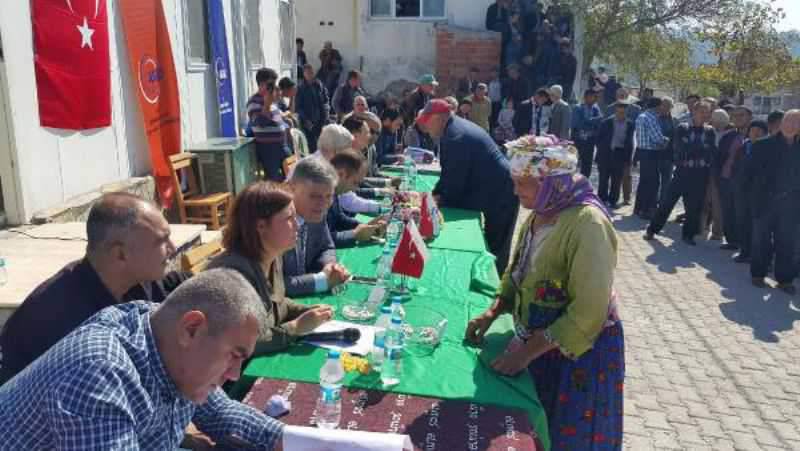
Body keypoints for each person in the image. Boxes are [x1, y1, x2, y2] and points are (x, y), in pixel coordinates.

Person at [0, 269, 285, 450]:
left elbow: (223, 414)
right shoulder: (98, 370)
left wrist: (308, 443)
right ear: (192, 329)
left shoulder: (167, 333)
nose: (235, 374)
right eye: (234, 355)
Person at [465, 145, 623, 449]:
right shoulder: (541, 213)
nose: (515, 191)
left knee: (569, 429)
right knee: (539, 424)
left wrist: (525, 353)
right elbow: (517, 271)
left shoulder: (588, 224)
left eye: (522, 183)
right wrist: (493, 311)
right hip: (542, 347)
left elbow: (589, 310)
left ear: (551, 182)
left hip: (578, 352)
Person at [0, 193, 184, 385]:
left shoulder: (140, 279)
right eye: (161, 241)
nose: (173, 248)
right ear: (120, 255)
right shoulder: (58, 319)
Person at [207, 182, 333, 355]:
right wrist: (295, 327)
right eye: (289, 218)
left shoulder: (272, 257)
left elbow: (277, 303)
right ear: (261, 226)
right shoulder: (233, 276)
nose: (297, 225)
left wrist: (305, 311)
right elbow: (243, 344)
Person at [419, 99, 519, 272]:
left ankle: (494, 288)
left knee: (495, 247)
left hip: (501, 191)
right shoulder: (451, 129)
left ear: (438, 118)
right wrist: (435, 194)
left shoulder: (455, 135)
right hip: (489, 187)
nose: (425, 128)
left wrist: (437, 204)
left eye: (427, 122)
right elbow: (448, 173)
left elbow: (455, 184)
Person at [644, 101, 716, 245]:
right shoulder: (683, 128)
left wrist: (694, 148)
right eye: (702, 111)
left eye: (707, 112)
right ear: (694, 112)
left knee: (693, 207)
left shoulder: (709, 131)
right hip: (682, 173)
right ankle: (652, 230)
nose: (704, 114)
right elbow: (681, 150)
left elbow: (710, 153)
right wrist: (700, 148)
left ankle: (688, 235)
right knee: (667, 203)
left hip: (700, 174)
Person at [747, 110, 800, 293]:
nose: (792, 125)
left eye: (796, 122)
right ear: (781, 123)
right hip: (765, 201)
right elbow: (749, 175)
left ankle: (785, 279)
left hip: (791, 204)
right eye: (789, 121)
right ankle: (758, 274)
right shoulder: (763, 145)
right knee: (761, 241)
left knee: (787, 242)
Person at [283, 157, 350, 296]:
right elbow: (271, 288)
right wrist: (322, 281)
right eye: (314, 196)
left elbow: (326, 246)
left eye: (328, 196)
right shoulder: (275, 224)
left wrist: (330, 266)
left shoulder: (315, 212)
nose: (323, 204)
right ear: (292, 188)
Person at [327, 150, 386, 247]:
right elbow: (319, 241)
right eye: (355, 182)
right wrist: (354, 234)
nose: (355, 189)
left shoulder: (333, 190)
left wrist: (366, 226)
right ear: (341, 174)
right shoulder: (319, 194)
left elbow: (339, 219)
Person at [731, 120, 768, 263]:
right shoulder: (743, 146)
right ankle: (744, 251)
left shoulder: (768, 149)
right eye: (753, 130)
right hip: (741, 191)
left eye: (760, 131)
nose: (756, 133)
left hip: (758, 193)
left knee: (757, 226)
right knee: (742, 222)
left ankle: (758, 256)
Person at [247, 68, 292, 181]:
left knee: (291, 177)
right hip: (269, 148)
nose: (273, 87)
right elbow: (259, 123)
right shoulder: (254, 101)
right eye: (270, 84)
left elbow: (278, 121)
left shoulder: (273, 100)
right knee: (274, 180)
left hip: (282, 145)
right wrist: (266, 104)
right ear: (262, 84)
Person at [633, 97, 670, 219]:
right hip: (651, 153)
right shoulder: (652, 118)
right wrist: (666, 140)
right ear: (657, 106)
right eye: (661, 106)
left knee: (643, 182)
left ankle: (638, 208)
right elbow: (657, 139)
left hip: (642, 152)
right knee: (653, 183)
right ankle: (648, 210)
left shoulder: (641, 116)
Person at [596, 102, 635, 208]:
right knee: (603, 178)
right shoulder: (606, 122)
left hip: (620, 154)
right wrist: (601, 151)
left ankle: (613, 201)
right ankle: (602, 199)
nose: (621, 114)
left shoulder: (630, 124)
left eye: (623, 112)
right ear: (615, 111)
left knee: (616, 179)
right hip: (606, 153)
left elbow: (630, 142)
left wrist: (628, 158)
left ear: (626, 112)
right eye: (619, 112)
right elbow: (598, 139)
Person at [296, 63, 330, 153]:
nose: (310, 75)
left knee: (322, 146)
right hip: (308, 122)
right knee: (312, 147)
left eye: (311, 72)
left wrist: (326, 115)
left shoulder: (319, 86)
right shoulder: (301, 88)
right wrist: (306, 120)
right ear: (304, 74)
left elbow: (326, 101)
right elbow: (298, 107)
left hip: (321, 120)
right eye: (307, 73)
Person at [571, 89, 603, 177]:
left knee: (587, 165)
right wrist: (592, 121)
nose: (595, 99)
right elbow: (578, 125)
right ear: (586, 97)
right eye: (593, 97)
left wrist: (588, 122)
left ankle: (584, 184)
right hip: (578, 140)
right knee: (573, 163)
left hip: (590, 141)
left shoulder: (596, 109)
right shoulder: (577, 108)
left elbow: (600, 123)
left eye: (596, 97)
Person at [656, 97, 678, 209]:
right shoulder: (654, 118)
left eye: (668, 106)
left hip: (669, 155)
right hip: (655, 154)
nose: (665, 108)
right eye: (663, 105)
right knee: (655, 180)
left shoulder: (675, 121)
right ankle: (653, 201)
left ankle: (663, 203)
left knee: (666, 181)